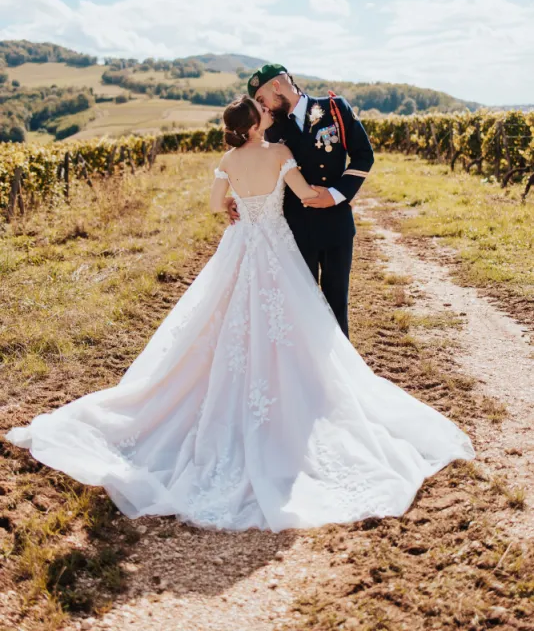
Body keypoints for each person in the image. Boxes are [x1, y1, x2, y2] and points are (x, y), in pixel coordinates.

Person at [4, 94, 475, 533]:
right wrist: (326, 191)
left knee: (221, 319)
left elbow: (215, 204)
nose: (269, 115)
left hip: (240, 244)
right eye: (263, 113)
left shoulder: (228, 160)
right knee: (289, 323)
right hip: (275, 248)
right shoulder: (277, 155)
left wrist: (234, 204)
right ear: (255, 124)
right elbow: (305, 193)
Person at [230, 63, 374, 338]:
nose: (263, 109)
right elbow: (249, 166)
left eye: (261, 100)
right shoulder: (270, 128)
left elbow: (364, 155)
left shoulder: (335, 109)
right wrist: (236, 199)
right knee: (301, 308)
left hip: (336, 226)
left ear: (276, 86)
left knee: (336, 304)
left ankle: (338, 377)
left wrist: (334, 195)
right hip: (294, 230)